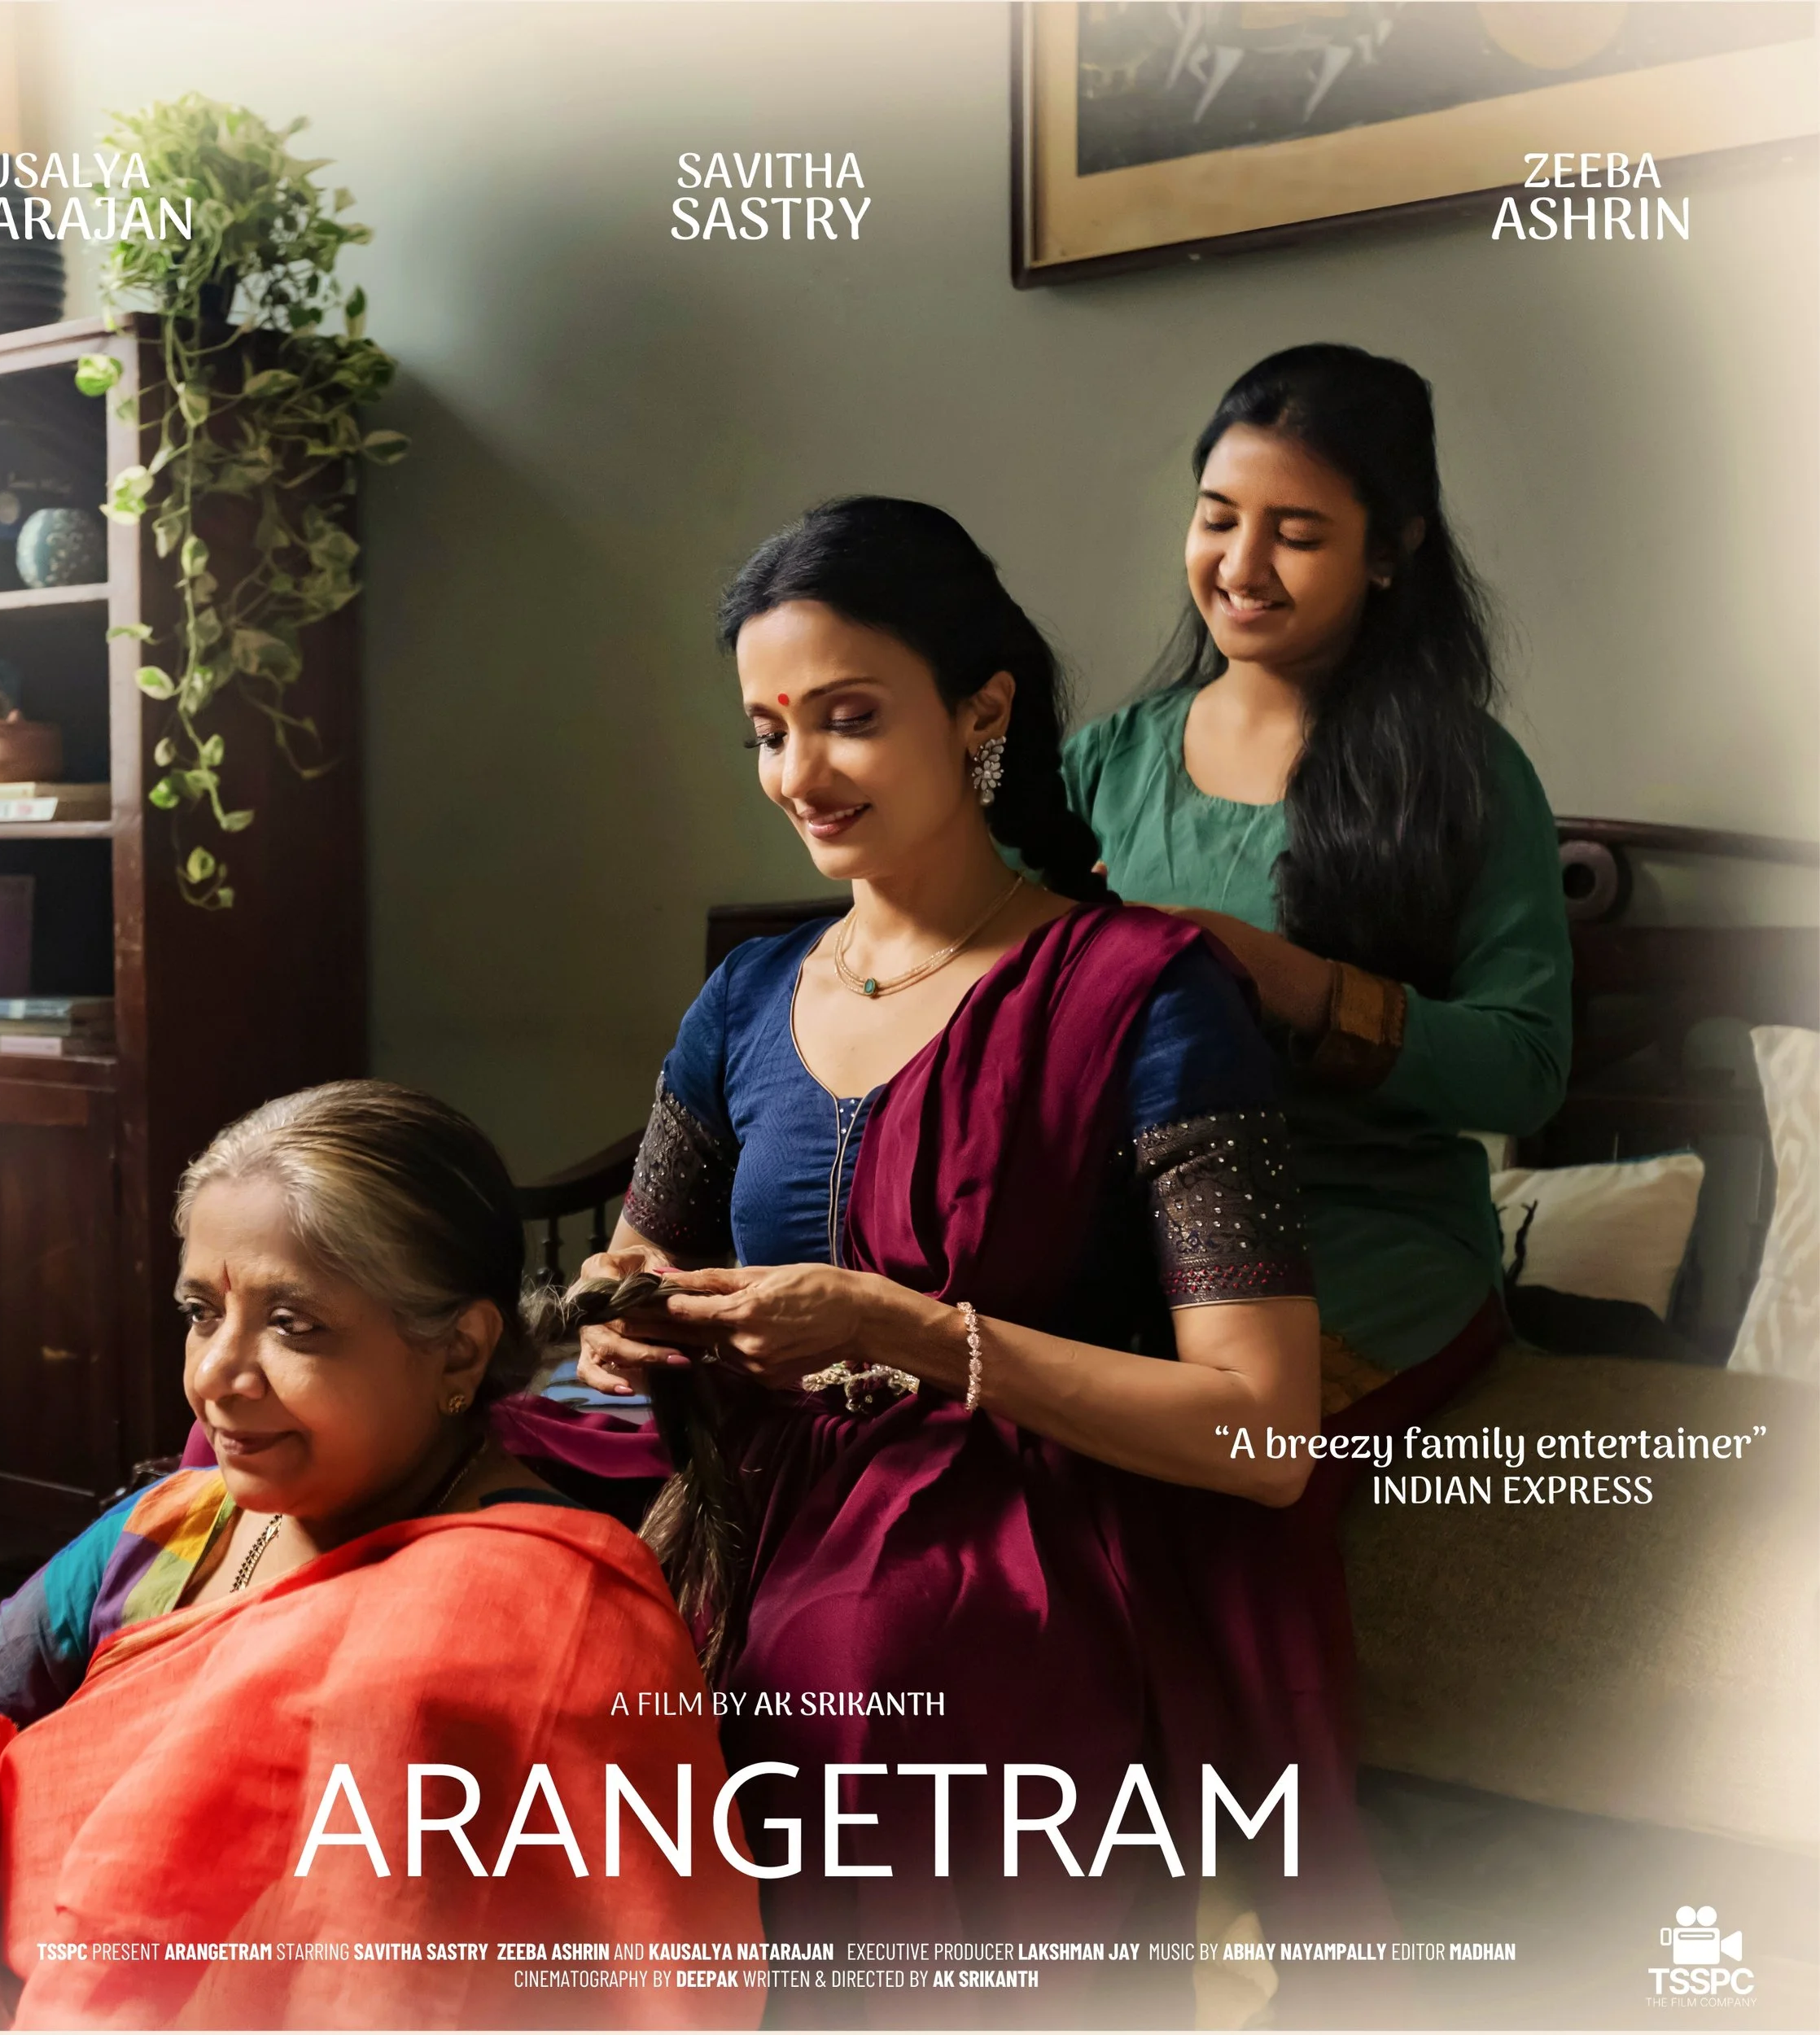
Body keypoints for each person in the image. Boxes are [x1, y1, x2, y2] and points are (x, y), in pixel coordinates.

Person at [508, 496, 1384, 2027]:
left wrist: (908, 1330)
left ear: (982, 713)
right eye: (768, 732)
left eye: (847, 719)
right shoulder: (750, 994)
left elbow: (1262, 1430)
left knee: (856, 1656)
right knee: (421, 1527)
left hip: (1014, 1493)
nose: (799, 775)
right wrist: (618, 1318)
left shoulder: (1148, 994)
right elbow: (640, 1248)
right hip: (739, 1463)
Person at [0, 1082, 763, 2032]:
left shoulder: (546, 1623)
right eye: (201, 1312)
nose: (216, 1374)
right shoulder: (170, 1530)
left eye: (294, 1325)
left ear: (460, 1352)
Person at [1066, 343, 1570, 1416]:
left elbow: (1525, 1069)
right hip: (1126, 1230)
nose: (1241, 566)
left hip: (1364, 1245)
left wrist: (1281, 976)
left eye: (1295, 535)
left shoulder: (1464, 777)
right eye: (1216, 518)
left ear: (1389, 552)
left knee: (1197, 1462)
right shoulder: (1103, 763)